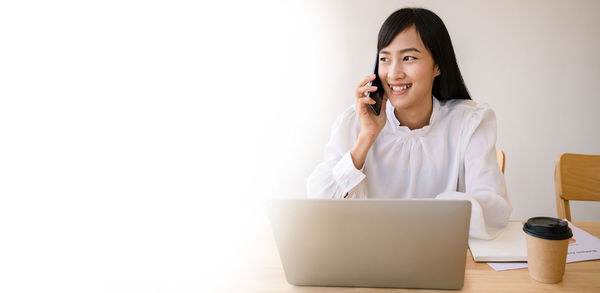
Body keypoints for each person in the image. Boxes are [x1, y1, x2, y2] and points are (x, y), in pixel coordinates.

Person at [306, 7, 511, 240]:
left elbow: (494, 208)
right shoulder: (355, 122)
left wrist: (434, 212)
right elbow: (319, 207)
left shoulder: (471, 121)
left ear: (438, 65)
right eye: (385, 59)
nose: (393, 73)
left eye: (409, 58)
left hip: (440, 257)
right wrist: (366, 138)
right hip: (370, 260)